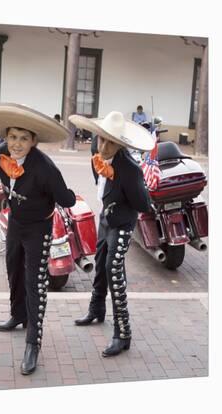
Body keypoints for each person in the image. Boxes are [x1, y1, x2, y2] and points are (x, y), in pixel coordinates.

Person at [0, 103, 76, 374]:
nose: (16, 144)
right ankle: (17, 315)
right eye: (12, 137)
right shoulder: (2, 152)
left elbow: (65, 199)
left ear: (33, 141)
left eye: (23, 138)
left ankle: (33, 342)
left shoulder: (45, 169)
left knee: (35, 282)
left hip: (39, 228)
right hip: (16, 222)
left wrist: (63, 192)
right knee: (12, 268)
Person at [69, 111, 153, 357]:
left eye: (110, 142)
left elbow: (143, 205)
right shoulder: (96, 156)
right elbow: (102, 187)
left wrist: (123, 194)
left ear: (121, 144)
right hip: (106, 219)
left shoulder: (131, 170)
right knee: (100, 262)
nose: (103, 146)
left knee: (113, 270)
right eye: (100, 139)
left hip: (124, 223)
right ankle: (96, 311)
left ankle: (122, 334)